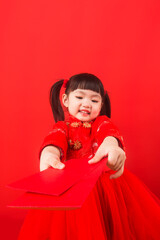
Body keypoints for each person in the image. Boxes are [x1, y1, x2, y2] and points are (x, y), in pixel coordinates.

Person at [18, 73, 160, 240]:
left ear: (101, 105)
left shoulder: (101, 123)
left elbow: (109, 133)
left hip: (101, 185)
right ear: (65, 100)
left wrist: (112, 146)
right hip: (68, 185)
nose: (87, 104)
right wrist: (49, 154)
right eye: (79, 97)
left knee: (105, 223)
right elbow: (54, 140)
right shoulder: (63, 127)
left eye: (94, 100)